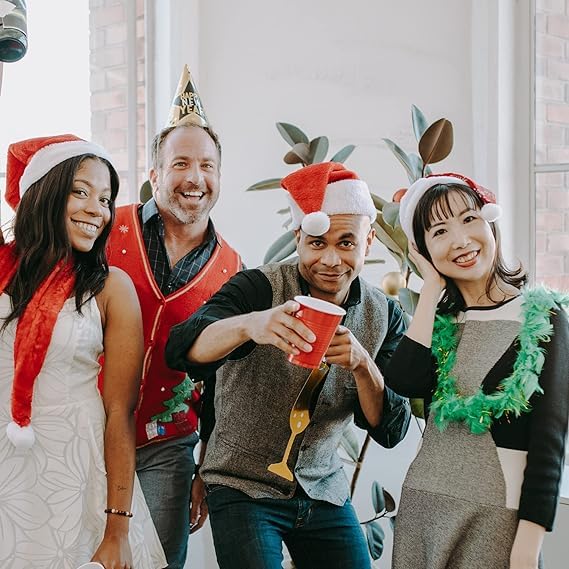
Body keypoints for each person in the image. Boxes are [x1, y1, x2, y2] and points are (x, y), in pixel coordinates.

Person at [165, 162, 412, 569]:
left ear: (368, 241)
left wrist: (363, 365)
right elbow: (182, 348)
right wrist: (250, 324)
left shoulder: (385, 315)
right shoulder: (258, 288)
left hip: (323, 489)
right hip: (241, 485)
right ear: (298, 237)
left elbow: (390, 429)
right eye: (316, 243)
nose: (330, 259)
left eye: (346, 243)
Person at [383, 173, 569, 569]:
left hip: (495, 520)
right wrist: (430, 289)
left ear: (490, 222)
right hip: (422, 512)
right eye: (439, 231)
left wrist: (528, 545)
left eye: (469, 219)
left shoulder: (541, 316)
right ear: (424, 251)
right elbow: (403, 381)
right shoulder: (439, 323)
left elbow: (549, 441)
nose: (461, 240)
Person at [0, 134, 166, 569]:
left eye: (106, 199)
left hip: (76, 483)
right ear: (44, 194)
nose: (98, 210)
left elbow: (119, 412)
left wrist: (117, 531)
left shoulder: (110, 288)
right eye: (80, 192)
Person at [105, 65, 241, 569]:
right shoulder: (106, 229)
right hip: (87, 426)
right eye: (180, 163)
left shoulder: (235, 270)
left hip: (168, 446)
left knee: (158, 562)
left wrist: (206, 466)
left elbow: (225, 382)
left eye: (207, 165)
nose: (194, 178)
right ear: (154, 174)